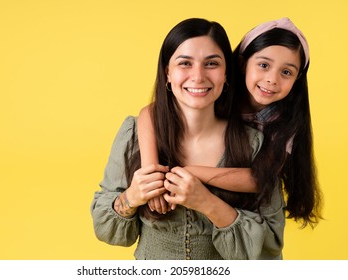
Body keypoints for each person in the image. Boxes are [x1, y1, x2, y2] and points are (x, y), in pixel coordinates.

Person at [91, 18, 285, 260]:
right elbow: (106, 230)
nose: (198, 76)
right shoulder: (135, 134)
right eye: (185, 63)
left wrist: (207, 203)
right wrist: (132, 197)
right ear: (167, 73)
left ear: (226, 75)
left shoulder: (256, 144)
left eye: (211, 63)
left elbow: (270, 247)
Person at [138, 17, 322, 228]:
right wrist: (150, 173)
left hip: (247, 222)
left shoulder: (286, 121)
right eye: (263, 65)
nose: (272, 79)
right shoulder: (215, 90)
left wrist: (188, 171)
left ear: (297, 79)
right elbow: (152, 111)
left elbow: (259, 179)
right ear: (243, 64)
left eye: (286, 72)